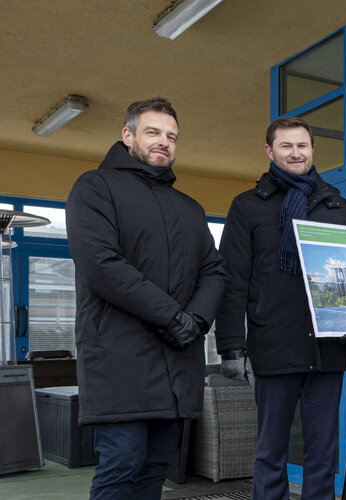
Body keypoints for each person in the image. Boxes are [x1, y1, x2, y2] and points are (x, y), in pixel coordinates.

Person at [66, 97, 226, 499]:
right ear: (128, 135)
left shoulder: (190, 208)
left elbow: (214, 270)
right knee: (121, 465)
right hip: (120, 359)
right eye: (153, 132)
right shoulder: (95, 187)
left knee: (156, 469)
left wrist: (197, 321)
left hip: (177, 363)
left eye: (171, 136)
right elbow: (102, 264)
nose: (164, 142)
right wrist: (174, 318)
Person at [215, 116, 346, 500]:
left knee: (323, 455)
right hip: (272, 345)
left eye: (302, 145)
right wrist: (231, 346)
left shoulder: (336, 205)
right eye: (286, 146)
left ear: (313, 150)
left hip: (328, 349)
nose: (296, 153)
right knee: (270, 453)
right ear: (269, 151)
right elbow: (232, 279)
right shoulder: (247, 206)